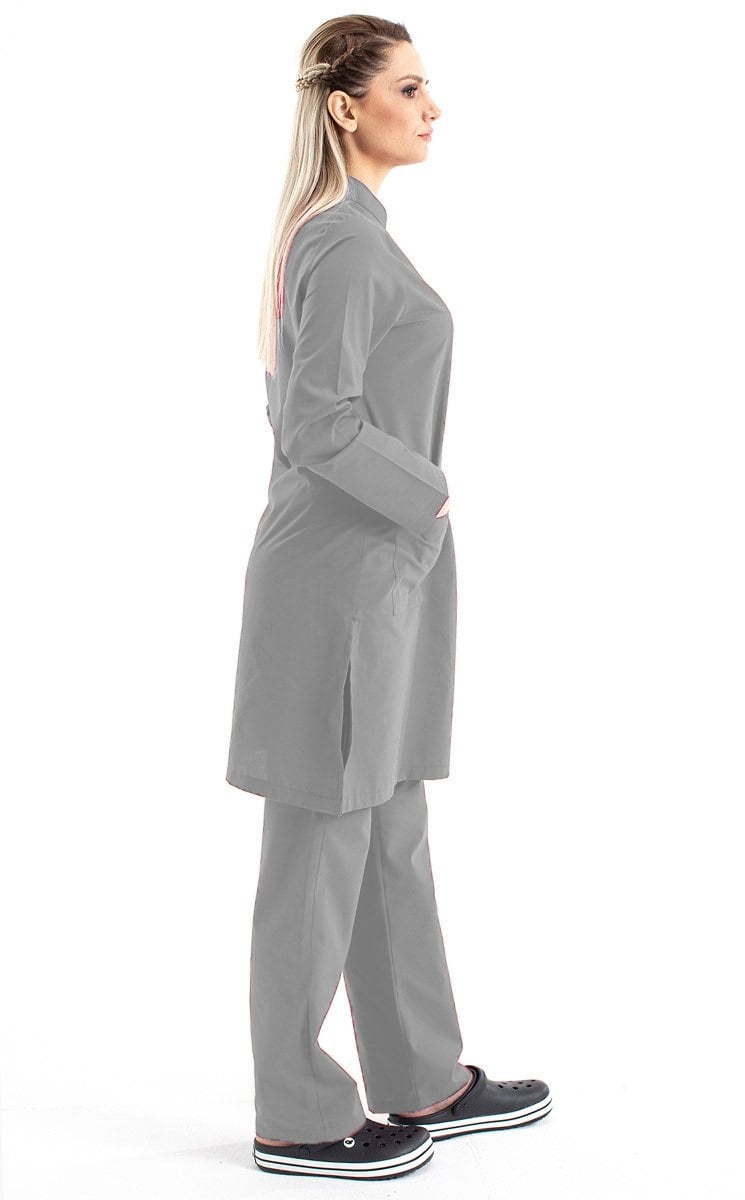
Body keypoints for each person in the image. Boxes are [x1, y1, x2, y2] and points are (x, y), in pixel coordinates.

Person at [225, 14, 552, 1181]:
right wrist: (430, 492)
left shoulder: (348, 236)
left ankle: (421, 1075)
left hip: (377, 574)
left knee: (387, 832)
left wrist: (415, 520)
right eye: (408, 88)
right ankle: (298, 1115)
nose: (431, 107)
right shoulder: (343, 244)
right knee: (321, 848)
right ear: (344, 106)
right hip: (341, 582)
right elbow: (317, 426)